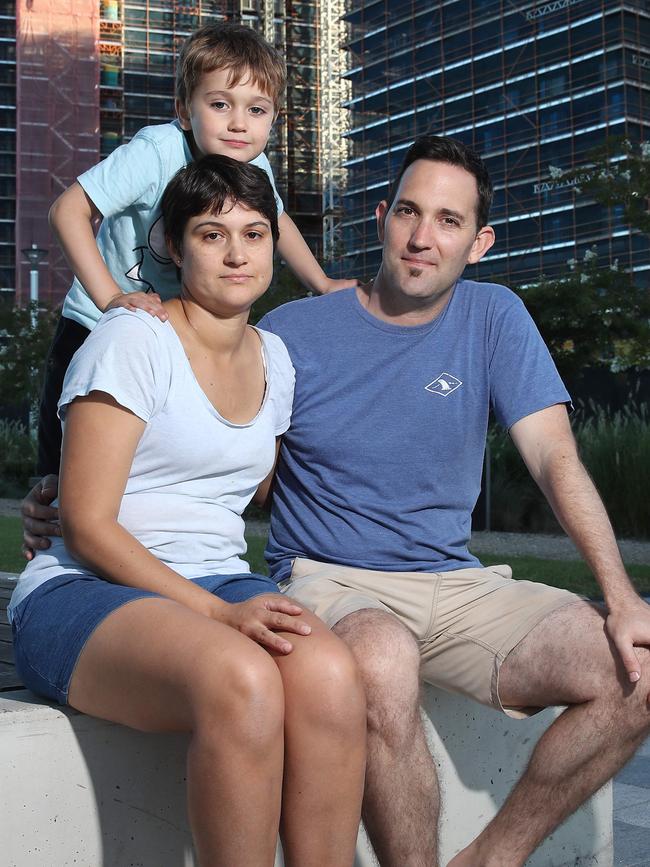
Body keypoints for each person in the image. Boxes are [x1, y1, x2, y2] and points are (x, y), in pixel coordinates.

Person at [24, 137, 650, 866]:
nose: (423, 236)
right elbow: (156, 482)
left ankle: (489, 859)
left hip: (442, 578)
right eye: (409, 212)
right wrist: (67, 491)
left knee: (634, 666)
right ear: (381, 218)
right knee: (334, 665)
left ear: (479, 243)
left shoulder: (451, 323)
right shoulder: (250, 335)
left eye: (448, 221)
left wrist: (622, 595)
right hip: (315, 578)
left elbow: (553, 456)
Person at [13, 155, 365, 867]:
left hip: (219, 581)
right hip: (87, 591)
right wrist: (218, 615)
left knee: (331, 677)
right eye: (211, 234)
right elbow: (85, 523)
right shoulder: (132, 339)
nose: (237, 252)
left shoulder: (278, 360)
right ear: (174, 245)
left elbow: (257, 487)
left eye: (256, 232)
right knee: (242, 678)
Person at [37, 21, 357, 477]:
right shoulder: (156, 151)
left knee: (149, 465)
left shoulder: (255, 166)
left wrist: (321, 282)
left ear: (274, 119)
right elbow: (66, 211)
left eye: (257, 110)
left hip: (175, 331)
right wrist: (110, 300)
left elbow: (279, 220)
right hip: (94, 324)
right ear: (186, 112)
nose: (238, 124)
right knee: (64, 473)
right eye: (220, 104)